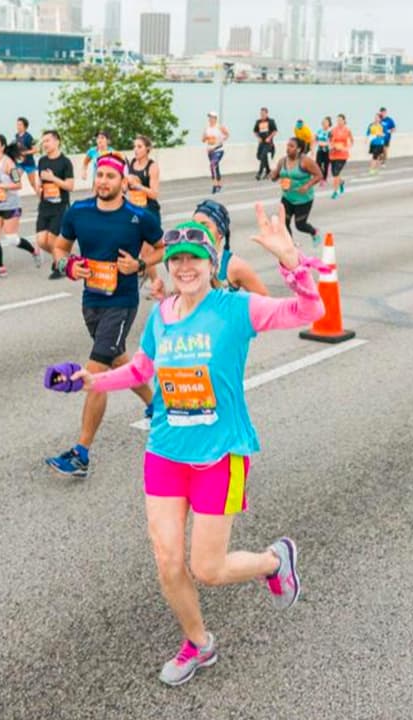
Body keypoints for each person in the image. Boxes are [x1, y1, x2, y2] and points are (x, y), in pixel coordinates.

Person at [62, 202, 322, 686]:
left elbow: (309, 310)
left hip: (221, 455)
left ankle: (273, 560)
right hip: (165, 451)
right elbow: (142, 370)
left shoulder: (236, 309)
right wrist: (91, 382)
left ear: (211, 263)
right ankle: (199, 643)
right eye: (175, 259)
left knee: (209, 567)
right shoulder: (161, 316)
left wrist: (292, 261)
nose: (183, 267)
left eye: (193, 259)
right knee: (166, 558)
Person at [44, 153, 163, 479]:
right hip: (91, 302)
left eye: (111, 176)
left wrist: (139, 266)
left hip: (122, 303)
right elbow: (59, 247)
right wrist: (68, 265)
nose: (104, 182)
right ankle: (157, 405)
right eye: (100, 176)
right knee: (118, 361)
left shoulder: (139, 217)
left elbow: (162, 247)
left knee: (95, 374)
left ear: (123, 181)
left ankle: (81, 454)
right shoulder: (78, 212)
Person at [0, 133, 38, 279]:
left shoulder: (9, 163)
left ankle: (34, 251)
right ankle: (1, 268)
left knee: (12, 239)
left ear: (2, 146)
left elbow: (18, 185)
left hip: (11, 206)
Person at [34, 129, 76, 280]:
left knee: (52, 240)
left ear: (57, 141)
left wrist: (53, 178)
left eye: (48, 140)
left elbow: (70, 186)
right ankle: (64, 258)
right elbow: (40, 182)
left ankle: (60, 266)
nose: (45, 144)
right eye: (43, 141)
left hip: (60, 206)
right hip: (45, 205)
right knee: (41, 241)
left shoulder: (65, 162)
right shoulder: (42, 161)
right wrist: (39, 188)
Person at [271, 138, 324, 247]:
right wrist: (272, 175)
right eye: (287, 145)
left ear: (299, 149)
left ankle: (314, 232)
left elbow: (319, 175)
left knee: (300, 225)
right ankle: (290, 245)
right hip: (287, 197)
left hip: (303, 199)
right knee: (284, 223)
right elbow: (275, 177)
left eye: (291, 146)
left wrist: (307, 185)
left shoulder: (305, 161)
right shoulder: (282, 161)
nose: (288, 148)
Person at [126, 135, 162, 222]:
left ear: (147, 149)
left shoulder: (152, 167)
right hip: (134, 209)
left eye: (139, 147)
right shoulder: (132, 162)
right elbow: (127, 187)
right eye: (134, 146)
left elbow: (154, 194)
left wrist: (138, 186)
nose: (135, 149)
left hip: (149, 210)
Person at [203, 112, 229, 194]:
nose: (210, 119)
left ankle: (214, 185)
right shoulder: (207, 128)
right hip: (210, 151)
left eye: (212, 117)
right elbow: (203, 139)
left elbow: (227, 135)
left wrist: (221, 140)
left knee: (212, 165)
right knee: (216, 167)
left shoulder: (219, 127)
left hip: (218, 150)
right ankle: (219, 185)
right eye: (209, 117)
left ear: (215, 118)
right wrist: (206, 138)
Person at [327, 114, 353, 199]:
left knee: (336, 173)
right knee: (335, 173)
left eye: (340, 120)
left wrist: (346, 148)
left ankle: (335, 192)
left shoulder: (347, 130)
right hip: (333, 154)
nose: (339, 122)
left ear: (344, 121)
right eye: (337, 120)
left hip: (342, 155)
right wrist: (332, 146)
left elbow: (351, 141)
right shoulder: (333, 130)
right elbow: (329, 140)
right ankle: (341, 182)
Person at [15, 117, 40, 194]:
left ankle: (42, 199)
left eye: (20, 125)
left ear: (25, 126)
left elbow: (36, 150)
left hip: (29, 164)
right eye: (17, 124)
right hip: (20, 164)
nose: (18, 126)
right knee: (15, 179)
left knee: (33, 184)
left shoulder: (29, 137)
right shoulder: (17, 136)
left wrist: (25, 153)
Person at [252, 108, 278, 181]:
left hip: (268, 143)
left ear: (267, 113)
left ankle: (259, 173)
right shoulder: (258, 122)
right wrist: (258, 138)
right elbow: (255, 131)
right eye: (261, 114)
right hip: (261, 142)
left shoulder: (271, 121)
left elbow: (275, 131)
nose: (262, 115)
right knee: (260, 156)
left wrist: (269, 138)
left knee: (263, 155)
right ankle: (268, 171)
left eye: (263, 113)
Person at [313, 116, 333, 189]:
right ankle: (321, 177)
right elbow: (315, 140)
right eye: (323, 122)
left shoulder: (330, 132)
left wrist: (324, 143)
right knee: (318, 164)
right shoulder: (319, 131)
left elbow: (331, 142)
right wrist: (312, 149)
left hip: (327, 151)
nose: (324, 123)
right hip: (320, 150)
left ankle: (324, 179)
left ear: (329, 123)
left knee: (326, 165)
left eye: (325, 122)